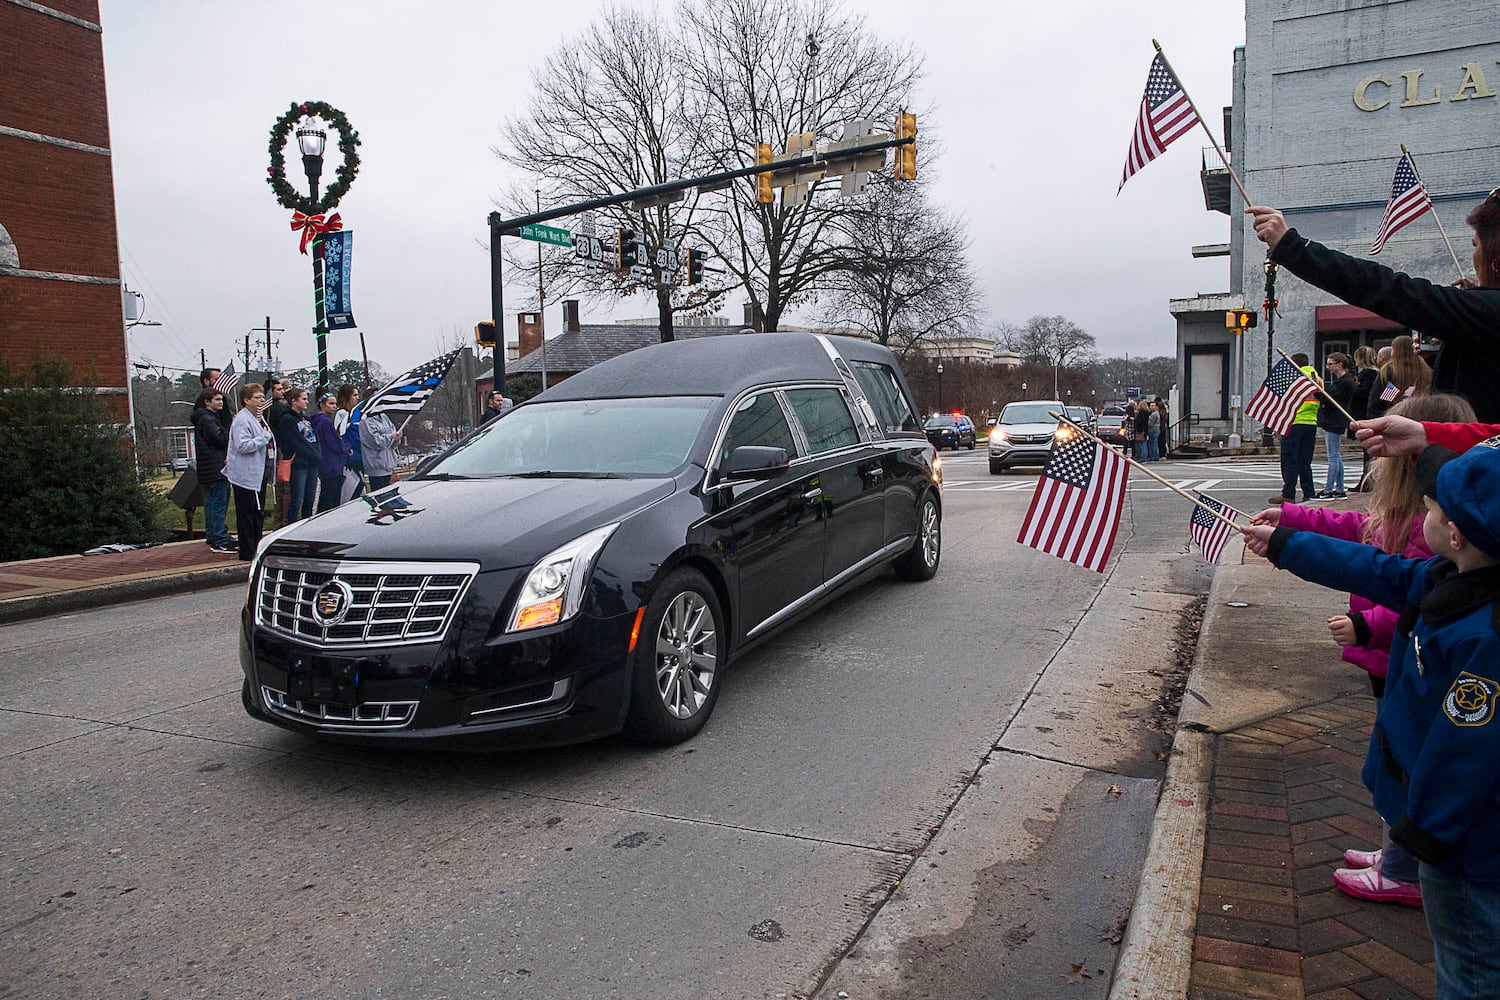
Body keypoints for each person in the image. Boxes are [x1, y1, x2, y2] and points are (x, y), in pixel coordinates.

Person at [1243, 442, 1500, 998]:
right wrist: (1286, 544)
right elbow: (1375, 567)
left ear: (1455, 533)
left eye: (1430, 509)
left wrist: (1423, 835)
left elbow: (1468, 755)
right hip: (1445, 833)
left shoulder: (1485, 635)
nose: (1421, 516)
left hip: (1463, 848)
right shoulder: (1451, 580)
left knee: (1470, 968)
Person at [1248, 393, 1476, 907]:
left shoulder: (1438, 540)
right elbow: (1358, 534)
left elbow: (1412, 595)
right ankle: (1397, 854)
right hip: (1387, 661)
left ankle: (1402, 868)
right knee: (1394, 757)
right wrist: (1291, 521)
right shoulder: (1417, 518)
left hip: (1393, 659)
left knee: (1404, 764)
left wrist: (1366, 626)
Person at [1247, 197, 1500, 421]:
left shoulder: (1388, 372)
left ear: (1495, 259)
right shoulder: (1479, 313)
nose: (1473, 255)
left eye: (1475, 245)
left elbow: (1387, 288)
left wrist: (1292, 247)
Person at [226, 383, 273, 561]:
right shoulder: (242, 420)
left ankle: (256, 546)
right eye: (257, 398)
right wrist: (264, 437)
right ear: (246, 400)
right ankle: (247, 551)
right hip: (246, 475)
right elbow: (243, 445)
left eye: (262, 397)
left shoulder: (258, 419)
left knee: (257, 512)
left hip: (258, 473)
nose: (261, 400)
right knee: (247, 513)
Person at [1273, 353, 1321, 504]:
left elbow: (1284, 402)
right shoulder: (1317, 379)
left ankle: (1288, 493)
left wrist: (1279, 425)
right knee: (1305, 461)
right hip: (1311, 422)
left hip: (1293, 422)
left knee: (1289, 460)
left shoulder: (1293, 378)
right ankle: (1309, 492)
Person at [191, 388, 234, 552]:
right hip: (215, 468)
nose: (221, 402)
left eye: (221, 399)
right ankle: (219, 538)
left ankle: (213, 534)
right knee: (217, 503)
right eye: (217, 400)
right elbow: (220, 439)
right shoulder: (208, 419)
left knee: (211, 503)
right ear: (207, 402)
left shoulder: (205, 418)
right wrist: (230, 429)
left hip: (208, 469)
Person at [1317, 352, 1356, 499]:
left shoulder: (1346, 382)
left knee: (1332, 455)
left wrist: (1320, 393)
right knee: (1335, 455)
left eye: (1330, 364)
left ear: (1340, 364)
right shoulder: (1341, 381)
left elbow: (1331, 399)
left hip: (1336, 420)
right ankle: (1339, 488)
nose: (1328, 367)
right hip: (1334, 420)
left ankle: (1329, 488)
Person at [278, 388, 320, 522]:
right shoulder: (287, 419)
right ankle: (291, 525)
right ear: (293, 401)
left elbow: (314, 439)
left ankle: (306, 525)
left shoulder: (306, 418)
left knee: (310, 499)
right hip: (299, 464)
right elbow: (296, 442)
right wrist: (311, 454)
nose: (306, 401)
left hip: (312, 464)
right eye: (303, 399)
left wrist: (317, 454)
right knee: (297, 499)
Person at [1351, 346, 1379, 491]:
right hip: (1372, 413)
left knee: (1369, 451)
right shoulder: (1376, 374)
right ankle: (1366, 481)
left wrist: (1353, 385)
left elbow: (1365, 394)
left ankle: (1367, 482)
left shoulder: (1369, 374)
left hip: (1367, 414)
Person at [312, 392, 346, 513]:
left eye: (335, 404)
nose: (334, 406)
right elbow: (333, 442)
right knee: (330, 499)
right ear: (322, 405)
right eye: (331, 403)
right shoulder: (324, 422)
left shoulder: (319, 421)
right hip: (331, 464)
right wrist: (345, 448)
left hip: (327, 463)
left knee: (328, 497)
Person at [264, 379, 292, 526]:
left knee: (279, 490)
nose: (282, 392)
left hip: (273, 449)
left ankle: (278, 521)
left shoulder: (264, 409)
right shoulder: (277, 409)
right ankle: (285, 521)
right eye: (279, 390)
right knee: (285, 489)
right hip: (280, 450)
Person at [334, 384, 364, 502]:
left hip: (358, 458)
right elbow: (342, 436)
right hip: (348, 461)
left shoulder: (354, 415)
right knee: (351, 492)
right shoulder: (342, 414)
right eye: (354, 395)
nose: (357, 398)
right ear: (347, 397)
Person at [359, 409, 402, 490]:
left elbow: (393, 435)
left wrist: (397, 438)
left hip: (388, 464)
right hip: (376, 465)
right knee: (379, 493)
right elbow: (374, 441)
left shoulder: (384, 416)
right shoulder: (365, 419)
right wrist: (391, 437)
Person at [1383, 334, 1432, 402]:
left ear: (1395, 351)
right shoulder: (1425, 369)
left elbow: (1385, 400)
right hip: (1421, 407)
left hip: (1397, 409)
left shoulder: (1390, 371)